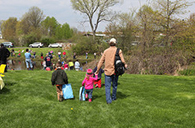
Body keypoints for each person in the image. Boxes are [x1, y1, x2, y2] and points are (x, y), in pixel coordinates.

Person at [95, 38, 127, 104]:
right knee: (114, 85)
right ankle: (114, 97)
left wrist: (97, 70)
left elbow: (101, 61)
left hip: (107, 71)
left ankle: (108, 100)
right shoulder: (118, 50)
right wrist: (125, 64)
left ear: (109, 43)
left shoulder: (106, 51)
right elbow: (123, 60)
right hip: (115, 71)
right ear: (115, 43)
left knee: (107, 86)